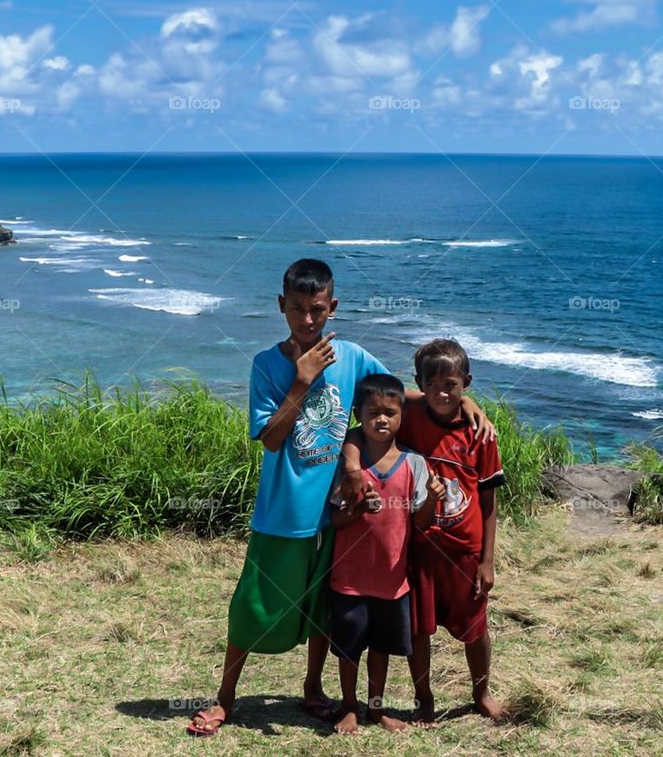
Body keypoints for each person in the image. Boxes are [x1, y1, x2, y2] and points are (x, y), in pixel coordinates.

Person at [188, 262, 493, 734]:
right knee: (253, 604)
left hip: (337, 515)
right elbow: (270, 439)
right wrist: (303, 379)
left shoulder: (350, 356)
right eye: (296, 309)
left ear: (332, 307)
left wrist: (459, 401)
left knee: (322, 609)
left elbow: (394, 395)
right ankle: (225, 698)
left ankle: (313, 688)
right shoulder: (266, 365)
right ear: (280, 306)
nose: (307, 321)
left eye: (316, 310)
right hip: (284, 514)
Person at [328, 374, 445, 735]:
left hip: (393, 581)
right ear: (357, 414)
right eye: (373, 412)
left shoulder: (414, 464)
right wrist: (359, 511)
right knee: (349, 650)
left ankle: (375, 709)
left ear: (401, 417)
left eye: (390, 413)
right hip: (349, 578)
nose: (382, 419)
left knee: (381, 649)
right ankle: (349, 706)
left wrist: (434, 497)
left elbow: (420, 522)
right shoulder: (350, 465)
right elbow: (335, 517)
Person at [398, 338, 507, 725]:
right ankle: (423, 697)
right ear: (419, 384)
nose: (442, 393)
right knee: (419, 630)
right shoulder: (409, 417)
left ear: (467, 383)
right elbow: (382, 397)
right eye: (433, 385)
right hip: (421, 547)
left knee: (475, 627)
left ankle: (481, 692)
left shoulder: (480, 435)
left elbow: (489, 500)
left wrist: (487, 560)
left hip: (465, 550)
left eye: (452, 386)